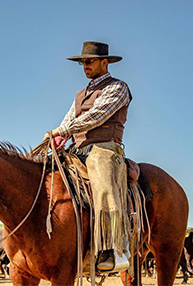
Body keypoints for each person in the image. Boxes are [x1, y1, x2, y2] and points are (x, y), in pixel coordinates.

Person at [43, 41, 132, 271]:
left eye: (89, 61)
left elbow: (97, 116)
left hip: (105, 149)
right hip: (78, 149)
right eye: (83, 62)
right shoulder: (80, 94)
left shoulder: (118, 87)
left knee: (102, 180)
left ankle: (112, 248)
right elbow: (68, 119)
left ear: (105, 62)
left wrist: (64, 131)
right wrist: (58, 136)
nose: (85, 66)